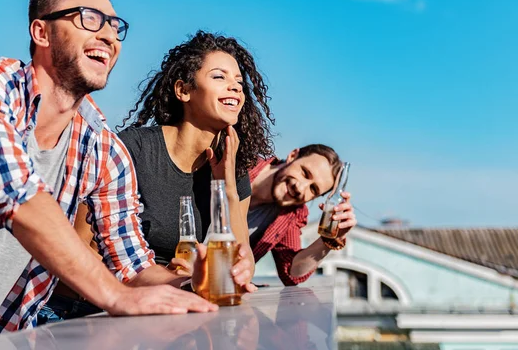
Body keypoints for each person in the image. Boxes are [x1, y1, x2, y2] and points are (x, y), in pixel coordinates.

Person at [0, 0, 217, 348]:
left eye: (114, 26)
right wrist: (114, 297)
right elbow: (16, 197)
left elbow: (131, 266)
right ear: (41, 32)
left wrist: (195, 281)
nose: (108, 36)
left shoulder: (104, 149)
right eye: (89, 19)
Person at [42, 31, 273, 318]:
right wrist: (167, 281)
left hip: (165, 308)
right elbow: (78, 246)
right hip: (81, 310)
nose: (236, 88)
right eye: (219, 77)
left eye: (239, 82)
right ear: (183, 90)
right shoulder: (132, 149)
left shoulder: (232, 168)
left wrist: (226, 186)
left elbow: (241, 263)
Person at [247, 144, 357, 285]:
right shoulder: (238, 163)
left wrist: (329, 240)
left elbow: (292, 271)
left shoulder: (292, 213)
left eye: (313, 189)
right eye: (304, 173)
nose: (300, 187)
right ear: (292, 156)